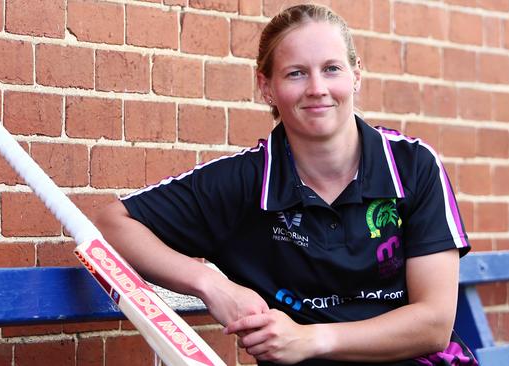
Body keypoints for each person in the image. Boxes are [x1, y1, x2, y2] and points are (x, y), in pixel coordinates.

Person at [94, 4, 476, 365]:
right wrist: (209, 283)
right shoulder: (245, 182)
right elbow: (113, 224)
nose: (316, 88)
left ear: (356, 75)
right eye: (296, 73)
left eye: (331, 69)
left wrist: (311, 339)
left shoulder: (412, 166)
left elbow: (433, 325)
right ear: (266, 87)